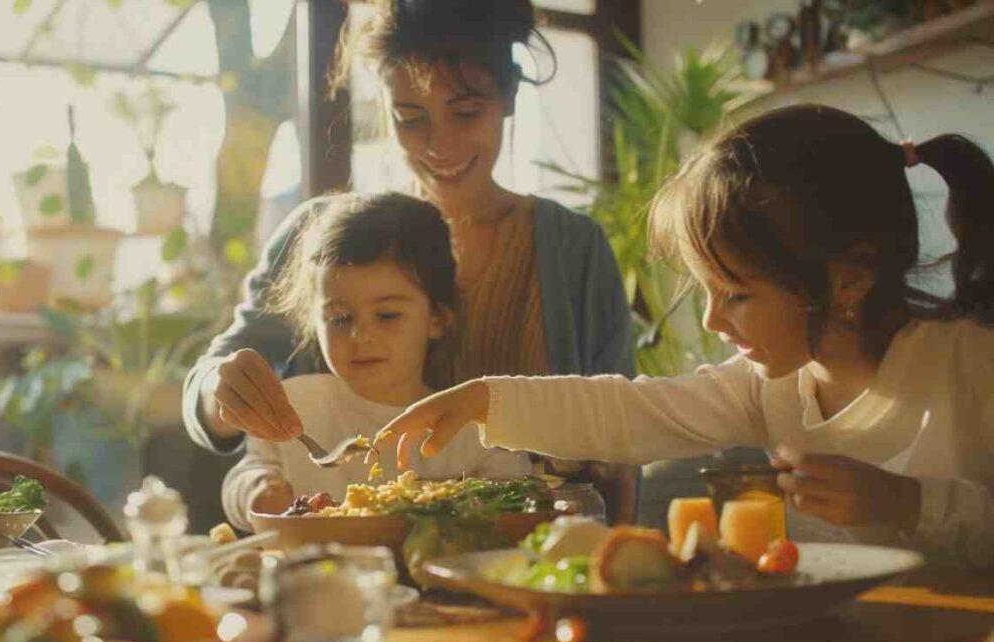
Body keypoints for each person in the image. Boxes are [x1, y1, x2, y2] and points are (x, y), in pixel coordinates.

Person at [374, 104, 994, 568]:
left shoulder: (972, 363)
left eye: (738, 294)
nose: (712, 322)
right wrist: (482, 397)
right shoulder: (768, 387)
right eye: (706, 291)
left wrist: (911, 505)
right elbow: (633, 411)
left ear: (849, 278)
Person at [183, 0, 638, 519]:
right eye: (410, 118)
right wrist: (221, 391)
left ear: (508, 97)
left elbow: (619, 430)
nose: (439, 145)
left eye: (465, 113)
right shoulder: (323, 237)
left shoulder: (574, 249)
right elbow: (210, 384)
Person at [220, 193, 532, 531]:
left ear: (437, 320)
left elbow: (518, 495)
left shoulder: (469, 426)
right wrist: (257, 489)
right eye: (339, 318)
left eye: (387, 315)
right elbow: (246, 471)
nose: (360, 336)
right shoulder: (291, 406)